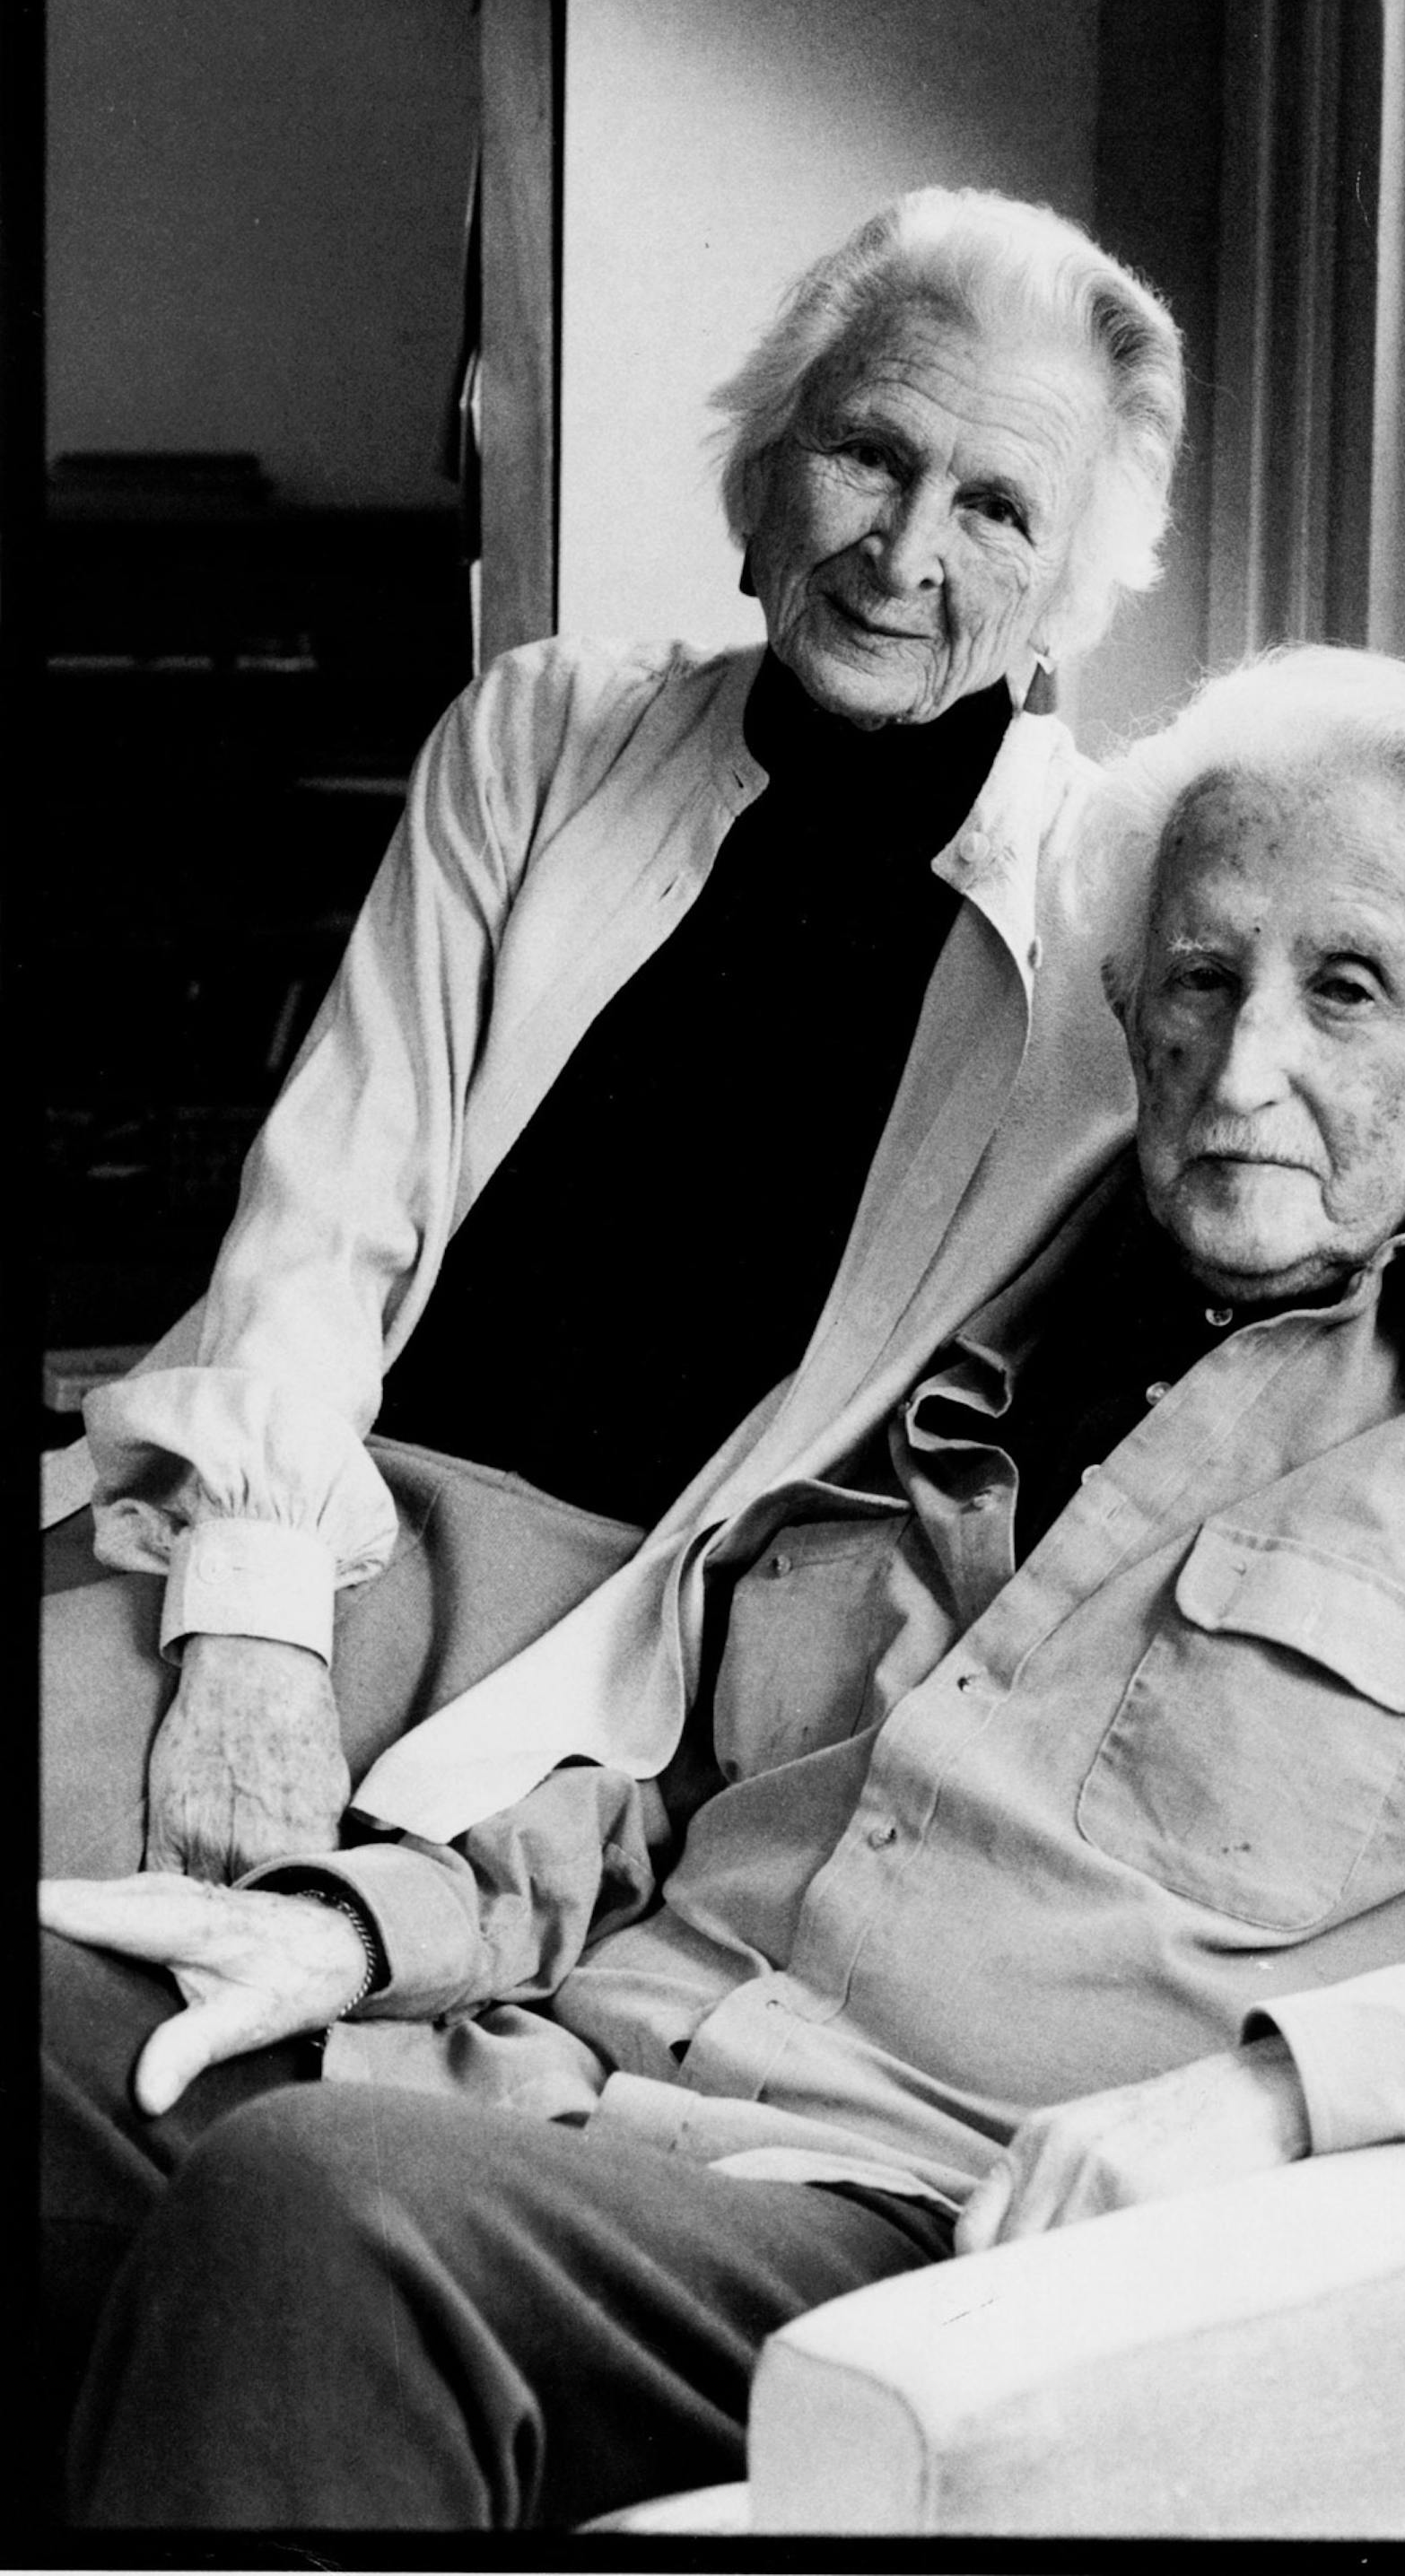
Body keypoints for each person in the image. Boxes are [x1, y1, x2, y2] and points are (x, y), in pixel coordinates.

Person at [41, 645, 1405, 2530]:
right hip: (546, 2078)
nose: (1244, 1062)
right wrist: (371, 1930)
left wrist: (1297, 2088)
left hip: (908, 2228)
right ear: (1130, 1005)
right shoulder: (983, 1303)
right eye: (1199, 978)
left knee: (317, 2212)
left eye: (1344, 987)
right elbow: (679, 1768)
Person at [40, 187, 1185, 1887]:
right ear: (766, 468)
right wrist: (258, 1627)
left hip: (644, 1653)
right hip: (327, 1510)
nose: (907, 549)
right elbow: (330, 1209)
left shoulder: (1109, 925)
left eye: (999, 505)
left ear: (1069, 590)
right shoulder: (543, 735)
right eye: (871, 452)